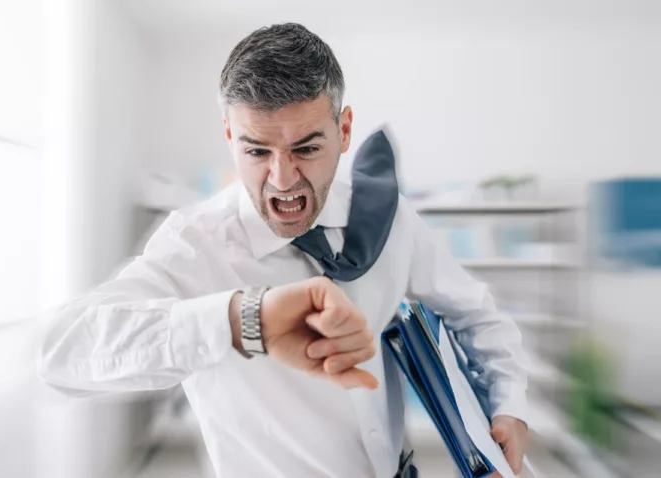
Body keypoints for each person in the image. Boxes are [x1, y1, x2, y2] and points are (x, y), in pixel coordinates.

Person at [38, 23, 528, 478]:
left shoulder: (389, 217)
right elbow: (62, 353)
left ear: (345, 130)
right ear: (230, 135)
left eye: (307, 149)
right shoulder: (194, 244)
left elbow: (477, 316)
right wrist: (241, 320)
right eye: (257, 151)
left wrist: (510, 405)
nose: (283, 179)